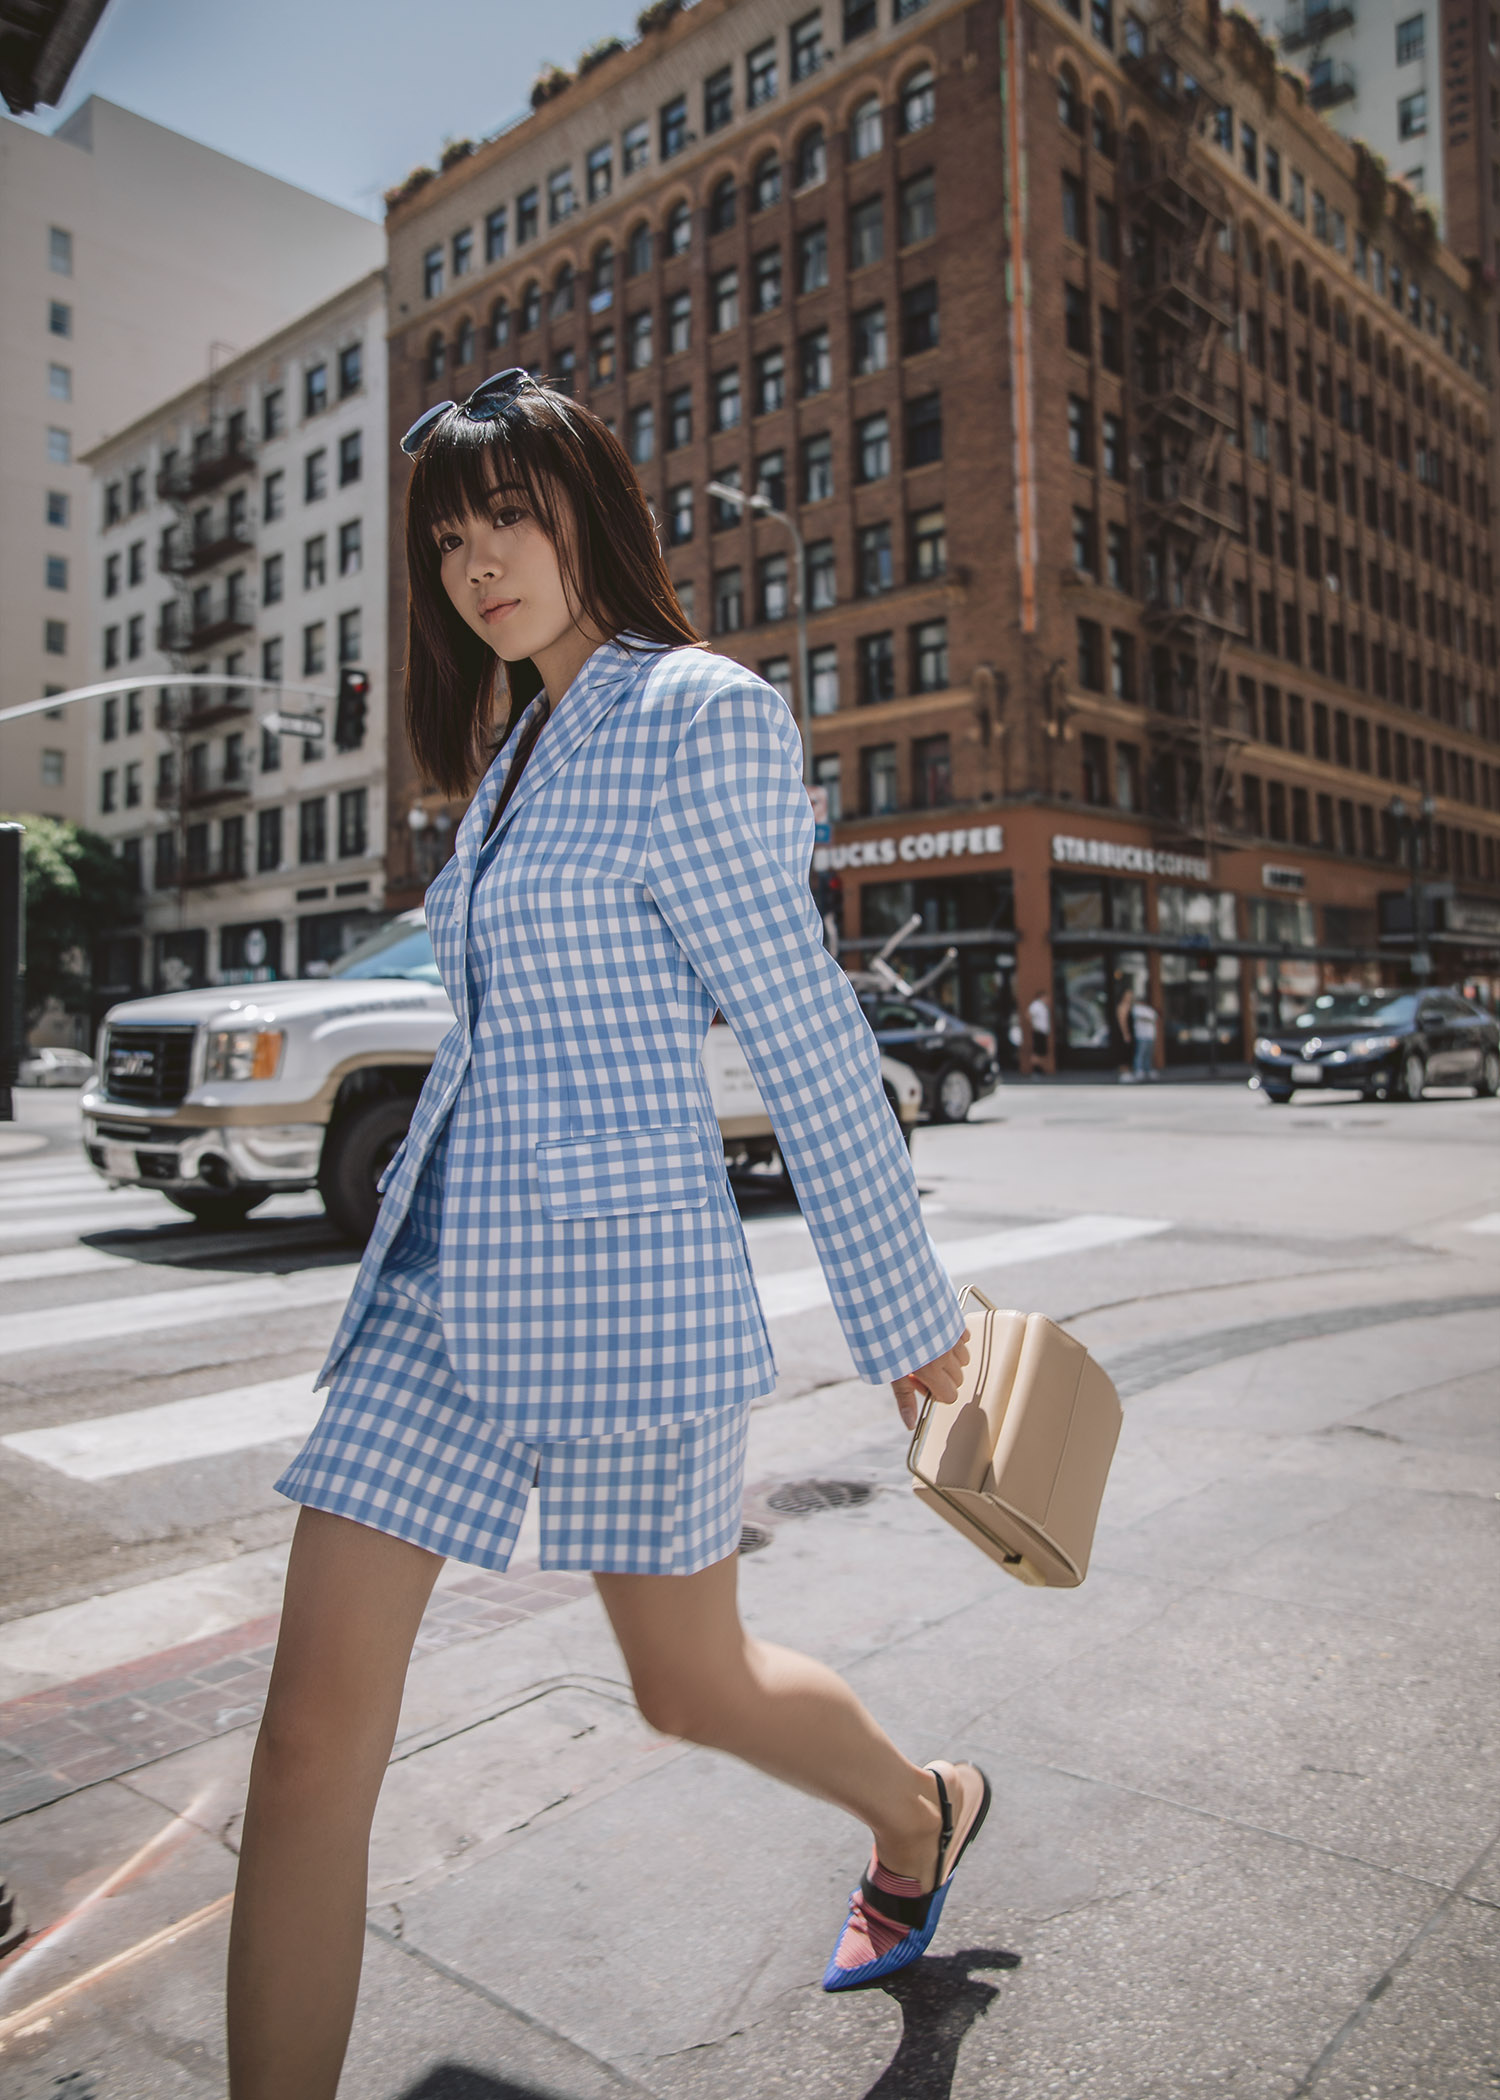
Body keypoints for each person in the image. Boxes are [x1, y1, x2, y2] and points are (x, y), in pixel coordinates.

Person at [226, 370, 987, 2096]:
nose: (478, 562)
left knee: (689, 1685)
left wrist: (906, 1315)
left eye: (509, 515)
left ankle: (920, 1807)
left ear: (591, 512)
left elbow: (795, 1022)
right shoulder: (509, 755)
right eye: (445, 537)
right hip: (435, 1286)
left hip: (620, 1287)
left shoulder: (691, 711)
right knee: (306, 1738)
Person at [1117, 983, 1158, 1081]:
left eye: (1131, 996)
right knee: (1130, 1054)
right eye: (1128, 996)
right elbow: (1122, 1022)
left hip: (1135, 1033)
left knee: (1137, 1053)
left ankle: (1133, 1072)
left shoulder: (1134, 1007)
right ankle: (1126, 1074)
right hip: (1128, 1034)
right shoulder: (1123, 1007)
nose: (1129, 998)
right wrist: (1125, 1034)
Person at [1027, 989, 1051, 1069]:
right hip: (1038, 1031)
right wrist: (1035, 1025)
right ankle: (1036, 1069)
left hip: (1043, 1032)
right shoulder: (1035, 1005)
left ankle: (1040, 1068)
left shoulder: (1043, 1006)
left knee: (1041, 1051)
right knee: (1037, 1051)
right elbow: (1029, 1015)